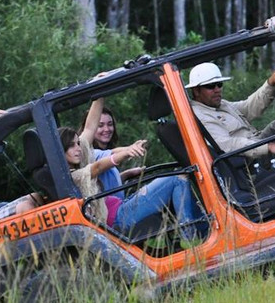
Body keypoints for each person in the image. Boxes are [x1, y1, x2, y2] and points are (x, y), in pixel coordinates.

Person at [61, 99, 204, 241]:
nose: (78, 148)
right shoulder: (74, 176)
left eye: (78, 143)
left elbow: (89, 129)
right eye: (72, 146)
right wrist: (127, 151)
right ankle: (192, 238)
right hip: (118, 217)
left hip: (121, 205)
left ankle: (204, 230)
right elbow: (98, 167)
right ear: (61, 152)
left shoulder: (80, 158)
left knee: (177, 176)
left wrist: (99, 96)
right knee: (177, 179)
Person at [187, 62, 275, 165]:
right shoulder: (201, 117)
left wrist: (270, 84)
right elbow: (229, 145)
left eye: (219, 84)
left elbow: (248, 107)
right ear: (196, 91)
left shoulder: (219, 105)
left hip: (253, 145)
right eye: (210, 86)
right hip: (247, 160)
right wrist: (268, 147)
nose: (217, 89)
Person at [90, 105, 144, 191]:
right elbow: (112, 154)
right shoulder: (91, 154)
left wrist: (127, 174)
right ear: (90, 129)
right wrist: (129, 149)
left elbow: (109, 184)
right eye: (100, 125)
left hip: (120, 202)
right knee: (171, 180)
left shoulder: (103, 151)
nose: (106, 129)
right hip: (119, 205)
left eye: (110, 124)